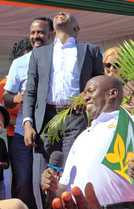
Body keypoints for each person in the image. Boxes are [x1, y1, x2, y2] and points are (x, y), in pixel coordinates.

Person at [41, 76, 134, 207]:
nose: (85, 97)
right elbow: (62, 189)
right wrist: (51, 186)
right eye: (84, 94)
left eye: (91, 91)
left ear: (112, 93)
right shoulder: (83, 136)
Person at [23, 11, 104, 209]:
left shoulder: (90, 50)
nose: (61, 13)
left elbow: (99, 85)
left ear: (76, 28)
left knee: (73, 171)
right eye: (58, 14)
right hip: (46, 119)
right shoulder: (39, 53)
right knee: (41, 176)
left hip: (76, 117)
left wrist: (85, 98)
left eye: (68, 15)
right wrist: (27, 123)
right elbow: (30, 91)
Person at [2, 17, 53, 209]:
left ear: (52, 34)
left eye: (40, 32)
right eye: (32, 33)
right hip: (23, 134)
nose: (36, 36)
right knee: (23, 183)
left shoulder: (60, 61)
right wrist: (17, 98)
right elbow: (6, 98)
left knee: (47, 184)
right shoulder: (19, 63)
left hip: (51, 134)